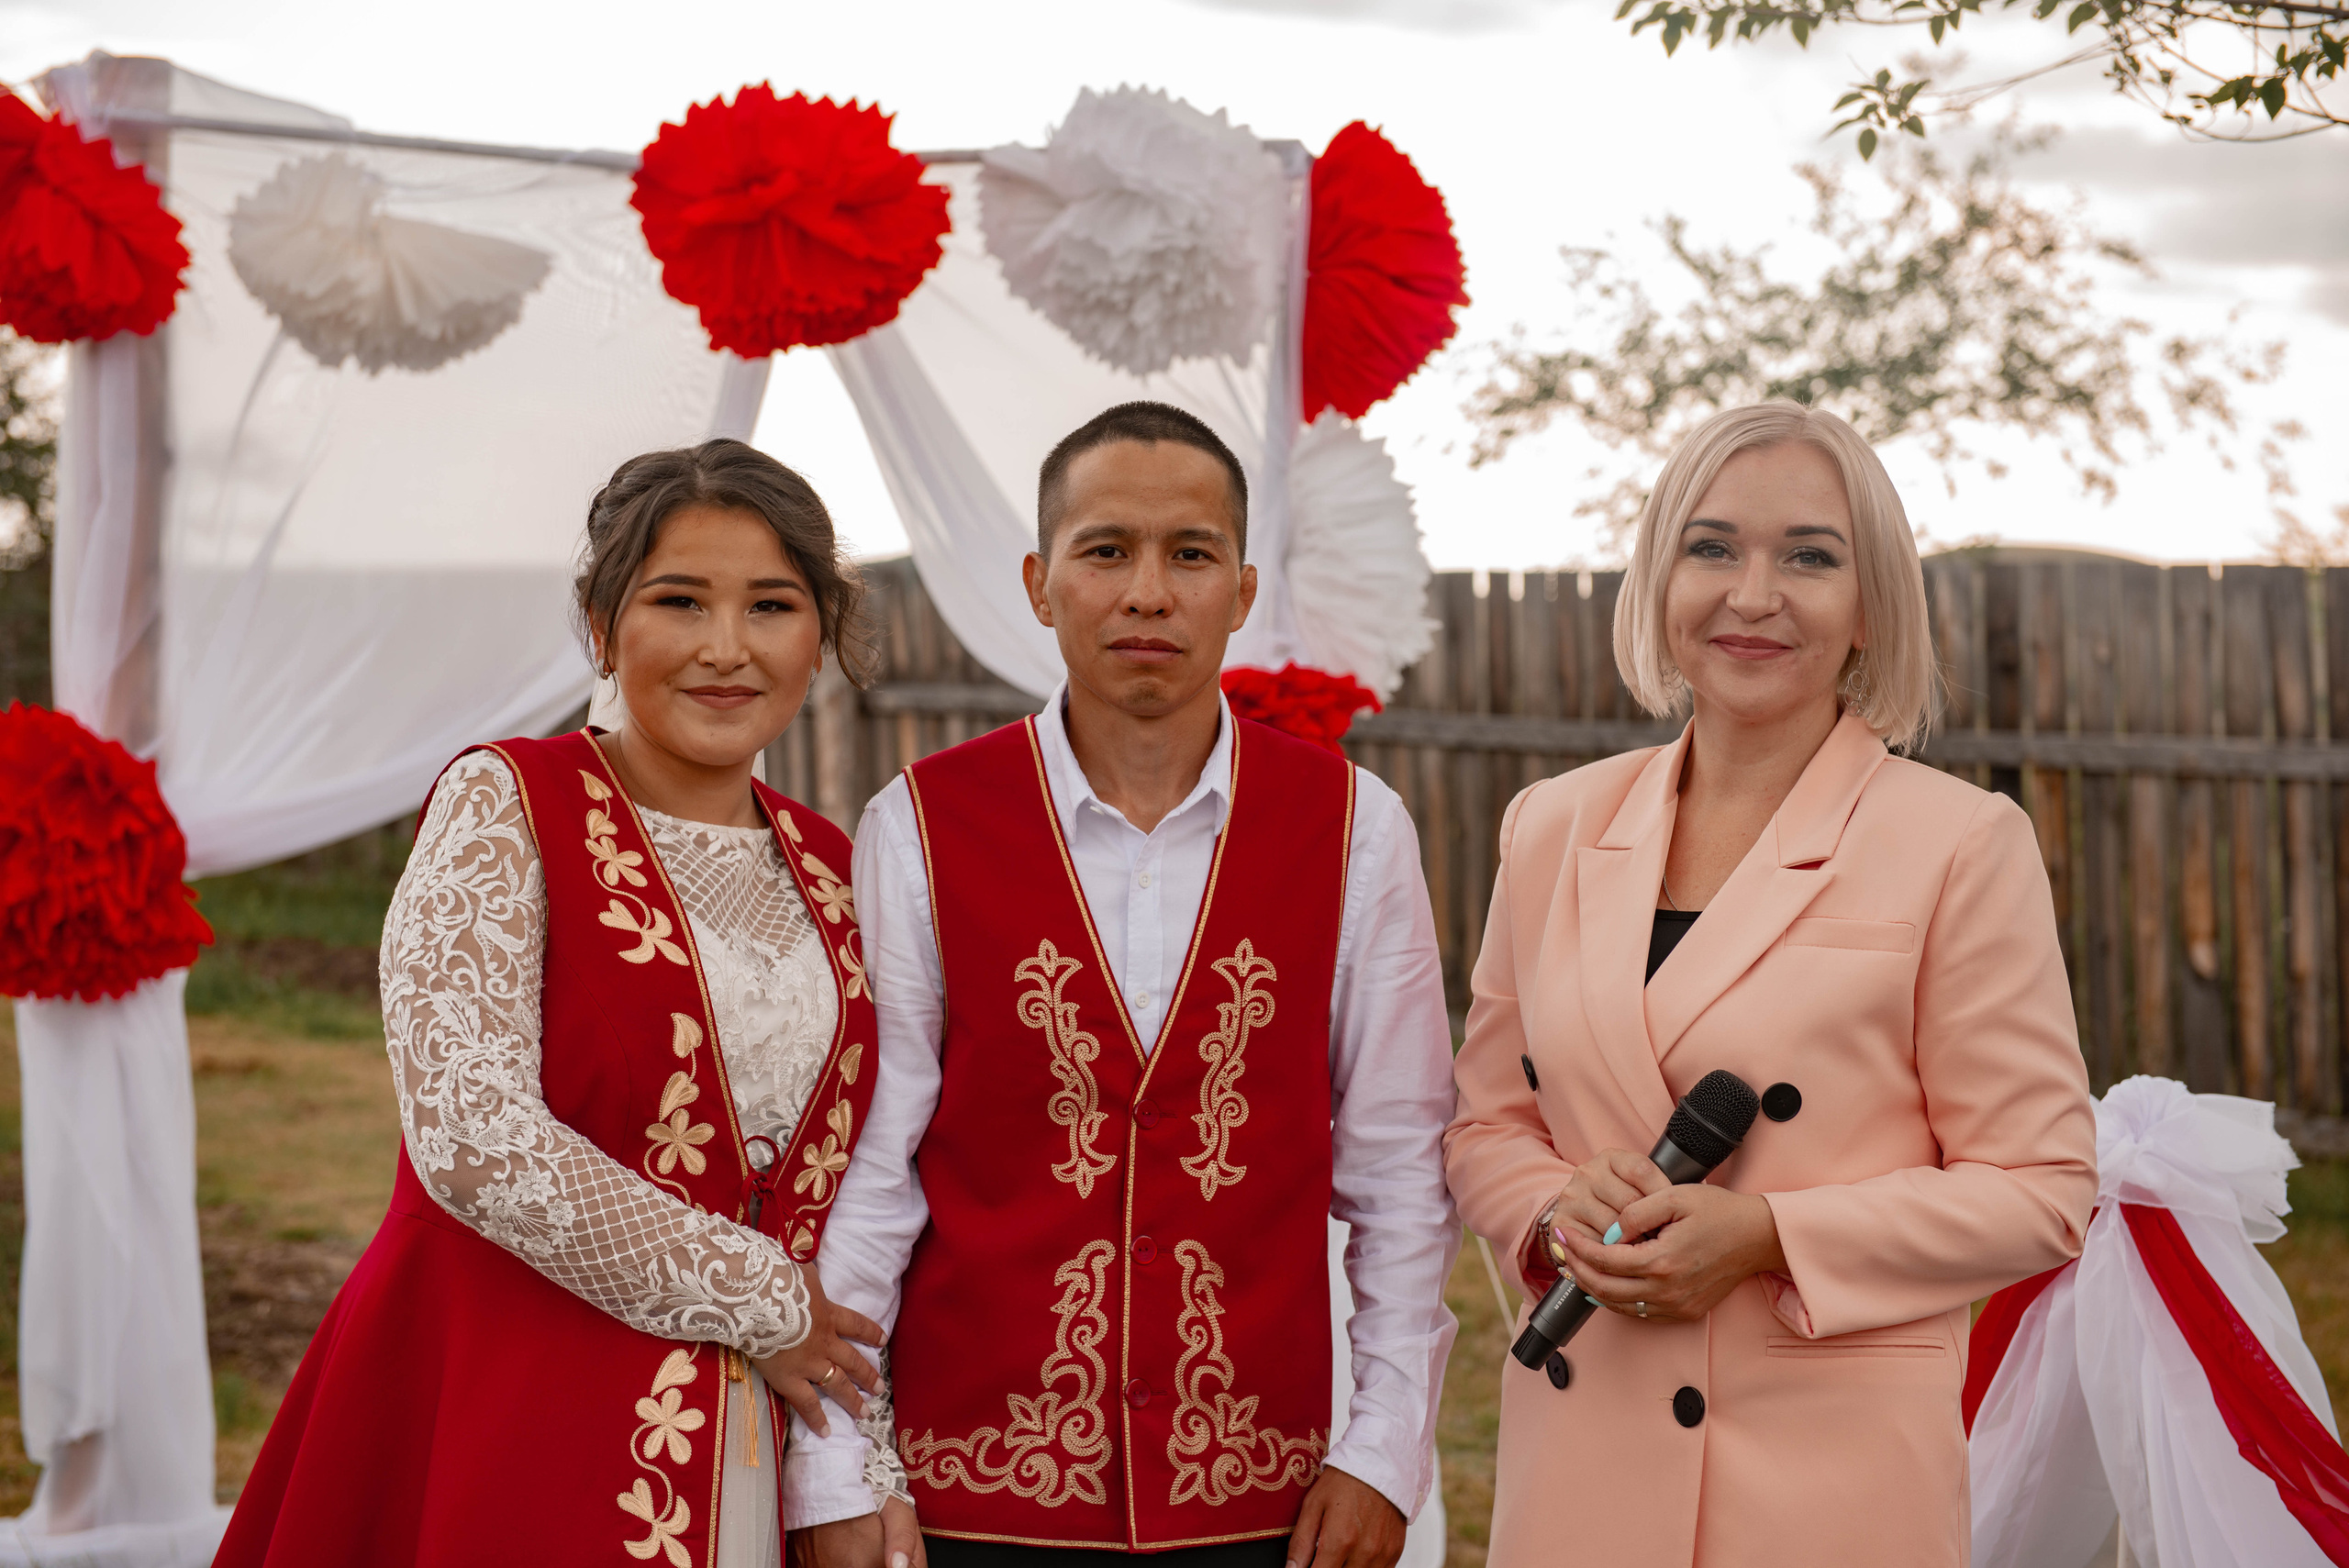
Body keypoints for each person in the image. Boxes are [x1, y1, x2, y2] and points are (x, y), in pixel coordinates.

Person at [217, 440, 918, 1567]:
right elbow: (470, 1134)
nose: (726, 647)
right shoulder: (508, 803)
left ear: (819, 634)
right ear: (601, 623)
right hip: (511, 1401)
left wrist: (853, 1457)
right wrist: (758, 1296)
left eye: (772, 605)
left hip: (759, 1439)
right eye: (678, 599)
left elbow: (865, 1181)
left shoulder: (836, 864)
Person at [782, 402, 1460, 1568]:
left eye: (1189, 553)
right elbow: (873, 1168)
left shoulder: (1354, 829)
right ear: (1042, 582)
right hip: (974, 1492)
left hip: (1264, 1497)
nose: (1148, 591)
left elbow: (1400, 1170)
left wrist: (1384, 1449)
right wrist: (837, 1463)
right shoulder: (920, 826)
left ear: (1242, 591)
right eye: (1107, 550)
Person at [1443, 402, 2099, 1568]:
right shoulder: (1548, 826)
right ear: (1658, 581)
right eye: (1711, 547)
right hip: (1582, 1457)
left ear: (1867, 605)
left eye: (1808, 555)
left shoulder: (1959, 841)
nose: (1753, 593)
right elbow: (1489, 1120)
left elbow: (2041, 1190)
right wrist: (1554, 1209)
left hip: (1828, 1485)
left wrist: (1767, 1234)